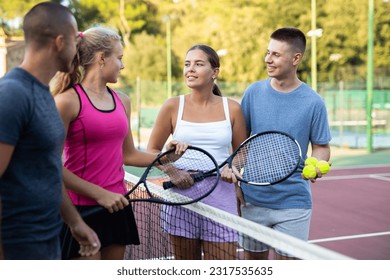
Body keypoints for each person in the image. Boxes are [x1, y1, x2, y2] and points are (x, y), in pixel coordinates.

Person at [51, 26, 186, 260]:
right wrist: (100, 194)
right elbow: (50, 165)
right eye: (120, 58)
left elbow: (130, 155)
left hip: (117, 206)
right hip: (80, 209)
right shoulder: (66, 101)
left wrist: (166, 156)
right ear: (102, 58)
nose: (123, 66)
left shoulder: (122, 100)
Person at [0, 2, 100, 260]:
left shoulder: (43, 93)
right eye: (76, 39)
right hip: (17, 247)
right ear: (59, 42)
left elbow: (48, 167)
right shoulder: (13, 94)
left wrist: (75, 222)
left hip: (47, 240)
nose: (78, 47)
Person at [227, 27, 331, 260]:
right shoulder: (253, 93)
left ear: (296, 58)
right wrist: (234, 172)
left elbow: (322, 146)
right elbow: (242, 144)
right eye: (267, 52)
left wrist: (317, 163)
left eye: (275, 54)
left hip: (294, 202)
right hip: (252, 200)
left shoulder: (314, 102)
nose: (268, 59)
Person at [147, 44, 248, 260]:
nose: (190, 69)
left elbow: (241, 150)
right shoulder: (172, 106)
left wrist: (232, 167)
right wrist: (174, 173)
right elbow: (152, 150)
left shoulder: (232, 108)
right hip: (180, 196)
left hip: (222, 195)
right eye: (187, 64)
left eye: (198, 64)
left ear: (215, 72)